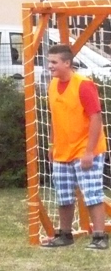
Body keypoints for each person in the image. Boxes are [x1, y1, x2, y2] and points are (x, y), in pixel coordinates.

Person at [41, 43, 108, 249]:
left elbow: (96, 118)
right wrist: (52, 144)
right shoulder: (52, 85)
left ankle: (99, 236)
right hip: (63, 150)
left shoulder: (83, 85)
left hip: (85, 149)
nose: (50, 66)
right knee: (63, 194)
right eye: (49, 62)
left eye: (54, 62)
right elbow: (54, 118)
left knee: (92, 193)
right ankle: (64, 234)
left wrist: (89, 152)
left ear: (67, 63)